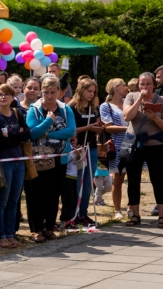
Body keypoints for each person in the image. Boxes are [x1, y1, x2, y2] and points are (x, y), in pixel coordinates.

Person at [26, 74, 76, 242]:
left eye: (53, 92)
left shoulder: (65, 109)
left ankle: (49, 227)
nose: (49, 96)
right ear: (41, 92)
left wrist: (49, 133)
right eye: (46, 92)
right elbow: (32, 133)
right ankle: (37, 229)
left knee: (54, 194)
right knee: (37, 194)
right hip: (39, 159)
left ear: (58, 93)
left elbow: (71, 131)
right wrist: (47, 122)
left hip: (59, 158)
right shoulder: (34, 109)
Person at [0, 84, 30, 247]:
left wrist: (11, 135)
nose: (3, 97)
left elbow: (27, 134)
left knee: (14, 200)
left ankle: (11, 234)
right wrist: (16, 136)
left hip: (19, 161)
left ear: (13, 97)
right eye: (0, 94)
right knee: (2, 200)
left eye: (7, 94)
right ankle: (1, 235)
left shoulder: (17, 113)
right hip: (4, 162)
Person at [122, 72, 163, 227]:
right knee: (133, 179)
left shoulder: (161, 100)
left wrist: (154, 118)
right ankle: (135, 214)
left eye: (148, 84)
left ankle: (161, 215)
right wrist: (139, 99)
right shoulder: (132, 97)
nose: (145, 87)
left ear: (154, 85)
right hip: (134, 143)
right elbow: (127, 117)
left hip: (155, 144)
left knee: (158, 179)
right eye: (142, 84)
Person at [66, 77, 102, 227]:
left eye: (94, 92)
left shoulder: (94, 107)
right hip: (78, 149)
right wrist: (88, 128)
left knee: (88, 182)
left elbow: (97, 125)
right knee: (77, 182)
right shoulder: (72, 107)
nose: (92, 94)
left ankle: (83, 213)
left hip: (91, 148)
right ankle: (72, 214)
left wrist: (99, 129)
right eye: (89, 91)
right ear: (81, 90)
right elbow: (71, 130)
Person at [100, 78, 129, 219]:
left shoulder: (129, 103)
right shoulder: (106, 106)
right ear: (116, 88)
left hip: (134, 145)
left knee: (134, 179)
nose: (127, 87)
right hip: (118, 145)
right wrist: (128, 128)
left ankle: (131, 207)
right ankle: (117, 210)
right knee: (118, 180)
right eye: (124, 85)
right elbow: (107, 126)